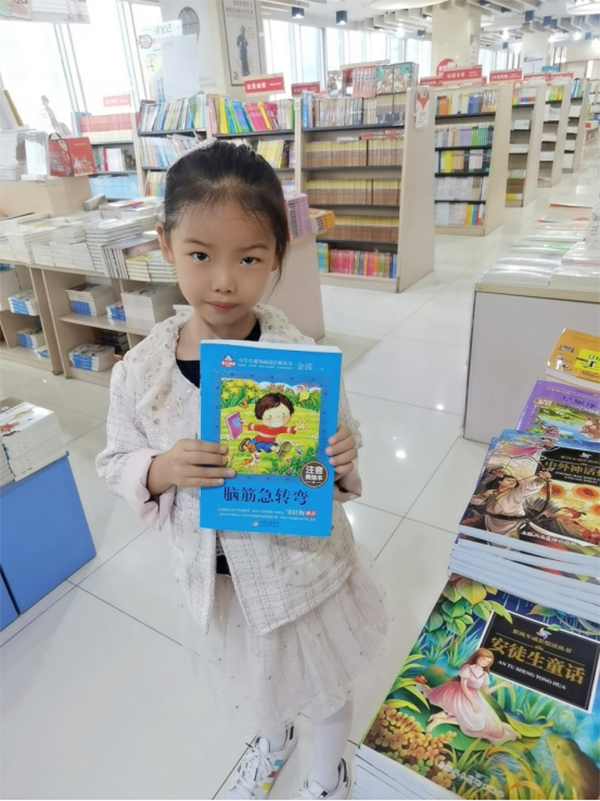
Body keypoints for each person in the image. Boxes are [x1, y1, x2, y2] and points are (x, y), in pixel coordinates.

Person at [96, 140, 387, 800]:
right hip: (218, 578)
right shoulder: (141, 372)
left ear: (277, 257)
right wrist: (160, 467)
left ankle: (326, 772)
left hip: (300, 571)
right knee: (260, 679)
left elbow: (340, 454)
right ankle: (274, 741)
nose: (224, 281)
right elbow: (115, 459)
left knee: (324, 681)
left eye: (249, 258)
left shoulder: (300, 359)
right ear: (165, 245)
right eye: (201, 255)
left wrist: (342, 460)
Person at [425, 648, 518, 745]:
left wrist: (500, 685)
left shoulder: (484, 674)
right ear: (477, 657)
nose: (485, 662)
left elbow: (486, 691)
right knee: (470, 717)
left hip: (475, 695)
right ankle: (439, 721)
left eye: (488, 661)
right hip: (461, 692)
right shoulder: (468, 668)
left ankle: (439, 718)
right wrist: (472, 703)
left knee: (482, 721)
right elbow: (463, 686)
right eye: (483, 659)